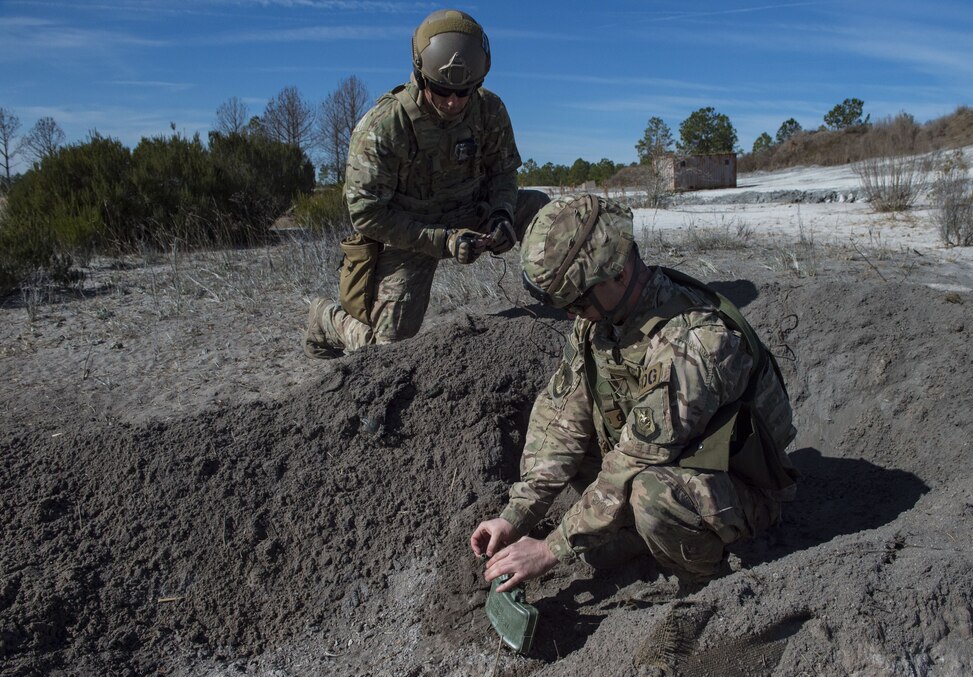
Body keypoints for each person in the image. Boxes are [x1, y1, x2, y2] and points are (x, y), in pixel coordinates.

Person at [471, 193, 799, 594]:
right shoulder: (600, 320)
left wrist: (550, 549)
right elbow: (560, 418)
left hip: (738, 486)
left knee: (653, 497)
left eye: (576, 300)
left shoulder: (694, 343)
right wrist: (516, 514)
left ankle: (708, 584)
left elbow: (631, 463)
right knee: (590, 479)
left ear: (618, 274)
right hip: (668, 457)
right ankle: (640, 536)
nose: (572, 313)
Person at [304, 9, 549, 357]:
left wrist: (502, 214)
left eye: (464, 91)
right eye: (442, 89)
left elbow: (503, 172)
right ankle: (328, 319)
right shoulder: (385, 126)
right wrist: (442, 241)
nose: (453, 102)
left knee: (547, 213)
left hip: (471, 211)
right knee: (388, 351)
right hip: (409, 234)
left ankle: (562, 301)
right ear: (421, 76)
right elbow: (367, 214)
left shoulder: (490, 110)